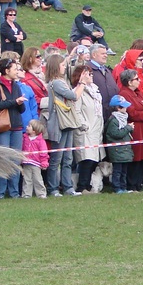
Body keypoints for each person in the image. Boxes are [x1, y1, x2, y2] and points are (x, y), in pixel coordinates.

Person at [0, 58, 26, 199]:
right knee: (2, 159)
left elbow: (21, 109)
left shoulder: (16, 85)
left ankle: (14, 192)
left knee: (15, 160)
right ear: (6, 70)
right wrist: (14, 102)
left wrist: (20, 103)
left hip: (16, 126)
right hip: (2, 127)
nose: (17, 71)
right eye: (15, 68)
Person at [43, 53, 81, 197]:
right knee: (57, 158)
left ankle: (67, 187)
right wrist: (82, 84)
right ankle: (53, 188)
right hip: (59, 123)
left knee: (68, 157)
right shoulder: (56, 83)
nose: (64, 67)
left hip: (66, 122)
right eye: (63, 65)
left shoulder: (61, 81)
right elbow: (73, 96)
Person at [118, 68, 143, 192]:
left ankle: (138, 184)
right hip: (136, 130)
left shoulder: (139, 93)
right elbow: (132, 113)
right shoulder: (124, 94)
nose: (139, 81)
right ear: (129, 82)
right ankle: (131, 184)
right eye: (136, 79)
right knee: (136, 158)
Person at [70, 65, 104, 193]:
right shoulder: (78, 91)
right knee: (86, 159)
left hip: (96, 129)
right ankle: (82, 186)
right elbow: (76, 111)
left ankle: (88, 185)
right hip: (85, 130)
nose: (91, 76)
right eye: (88, 74)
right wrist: (83, 125)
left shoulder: (95, 91)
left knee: (94, 159)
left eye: (91, 74)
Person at [105, 95, 134, 193]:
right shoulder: (113, 120)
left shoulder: (123, 118)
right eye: (124, 106)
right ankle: (116, 187)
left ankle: (123, 187)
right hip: (117, 150)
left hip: (124, 149)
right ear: (118, 108)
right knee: (117, 171)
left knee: (124, 171)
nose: (126, 108)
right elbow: (116, 134)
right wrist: (128, 128)